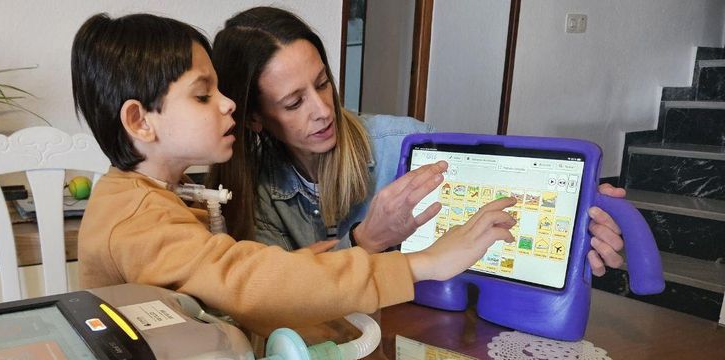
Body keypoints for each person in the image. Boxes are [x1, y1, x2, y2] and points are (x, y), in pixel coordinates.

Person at [71, 12, 516, 335]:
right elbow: (251, 285)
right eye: (205, 95)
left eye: (323, 83)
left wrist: (585, 208)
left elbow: (244, 284)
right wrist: (421, 263)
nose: (226, 104)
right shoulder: (138, 217)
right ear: (139, 122)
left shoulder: (162, 197)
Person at [207, 6, 626, 276]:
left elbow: (495, 218)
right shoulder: (252, 191)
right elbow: (282, 295)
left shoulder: (404, 143)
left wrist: (572, 218)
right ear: (256, 119)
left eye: (322, 84)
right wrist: (365, 243)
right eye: (294, 102)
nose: (322, 110)